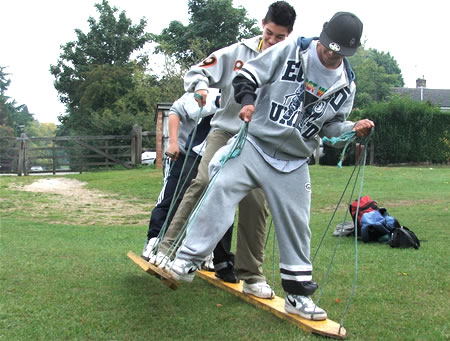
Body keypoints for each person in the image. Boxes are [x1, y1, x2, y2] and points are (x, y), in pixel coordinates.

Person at [167, 11, 375, 321]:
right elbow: (246, 75)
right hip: (255, 144)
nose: (332, 55)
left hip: (293, 160)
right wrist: (248, 99)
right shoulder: (292, 49)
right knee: (220, 187)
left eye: (340, 52)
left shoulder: (347, 83)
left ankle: (297, 295)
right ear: (322, 36)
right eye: (329, 47)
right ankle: (186, 259)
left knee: (297, 226)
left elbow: (330, 128)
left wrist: (351, 127)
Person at [154, 1, 297, 298]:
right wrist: (201, 88)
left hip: (259, 140)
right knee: (204, 181)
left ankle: (253, 276)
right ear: (262, 24)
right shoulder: (237, 52)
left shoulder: (291, 62)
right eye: (269, 34)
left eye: (279, 38)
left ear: (290, 35)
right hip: (225, 129)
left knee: (256, 204)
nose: (272, 41)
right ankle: (166, 248)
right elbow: (199, 70)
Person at [141, 89, 220, 264]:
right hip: (182, 153)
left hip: (209, 157)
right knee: (171, 198)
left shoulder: (228, 94)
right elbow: (175, 112)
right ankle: (154, 240)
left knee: (205, 202)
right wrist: (174, 142)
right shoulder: (199, 91)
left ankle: (205, 252)